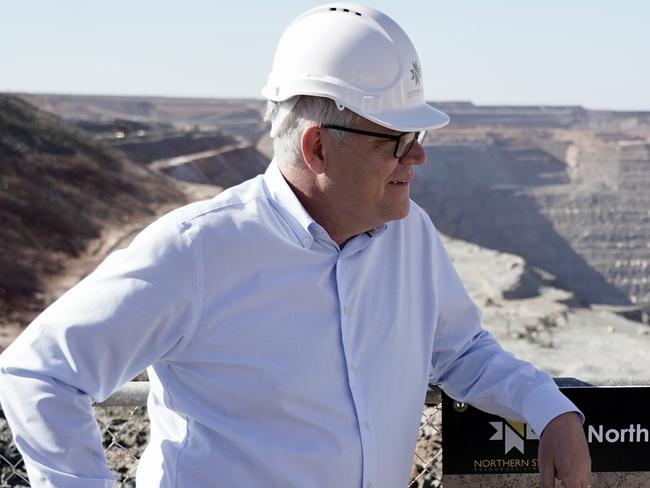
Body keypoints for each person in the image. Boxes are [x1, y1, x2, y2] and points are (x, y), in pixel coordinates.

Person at [0, 3, 591, 488]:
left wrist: (549, 406)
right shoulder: (198, 250)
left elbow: (460, 352)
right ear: (317, 148)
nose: (419, 155)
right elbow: (39, 373)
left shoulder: (411, 237)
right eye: (400, 139)